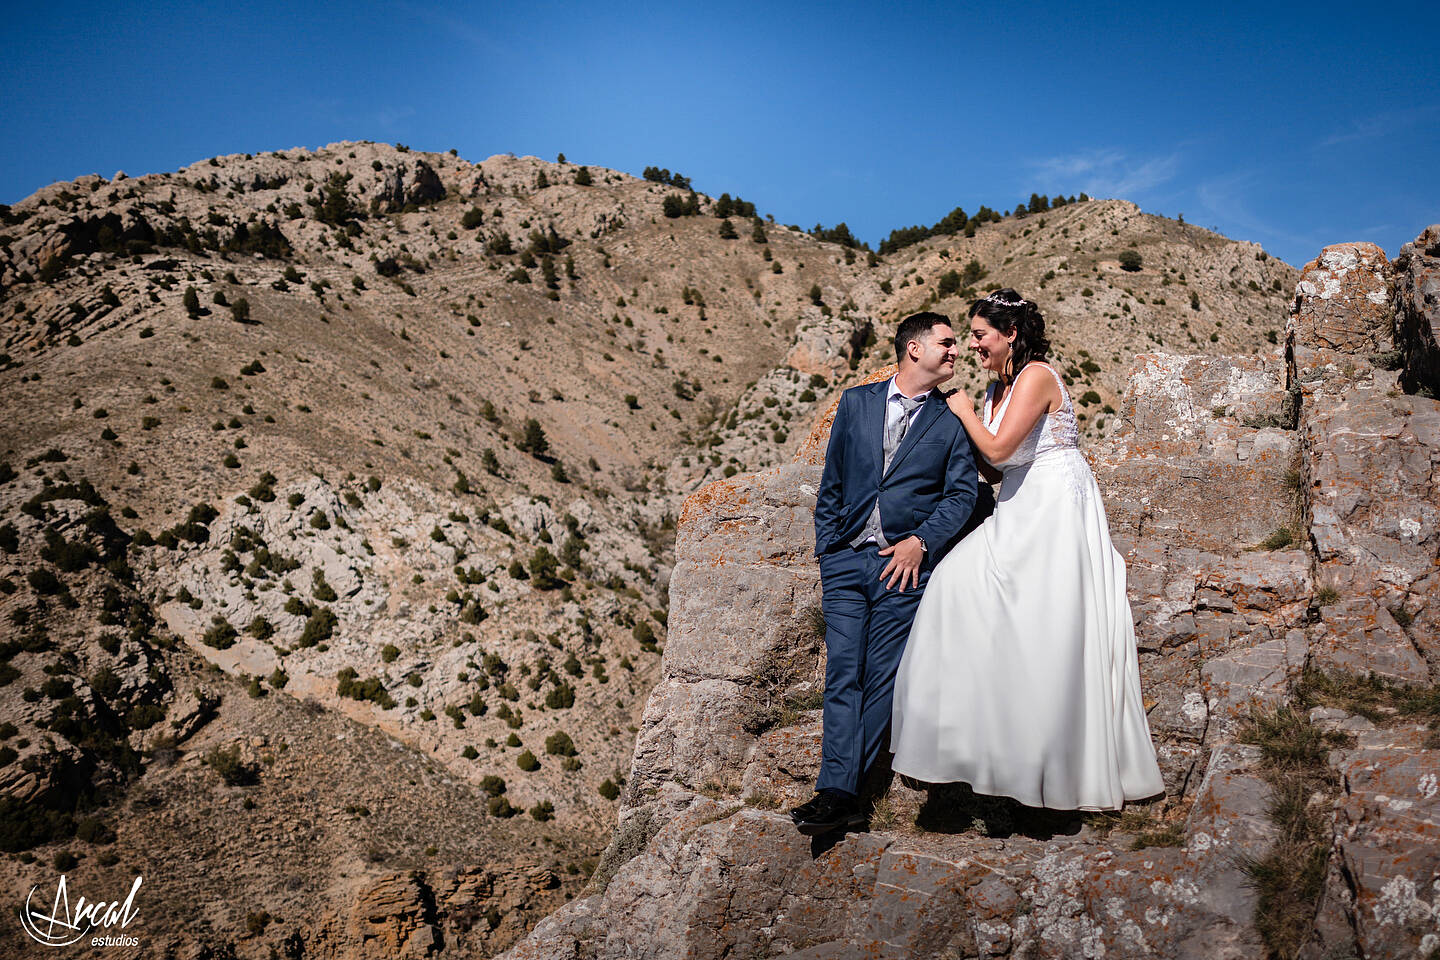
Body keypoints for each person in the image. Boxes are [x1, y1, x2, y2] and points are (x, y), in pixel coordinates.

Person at [889, 289, 1164, 811]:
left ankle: (1048, 763)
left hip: (1054, 503)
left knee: (1042, 622)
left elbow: (997, 447)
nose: (972, 345)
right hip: (1016, 500)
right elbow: (995, 468)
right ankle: (970, 745)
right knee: (952, 584)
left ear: (1010, 334)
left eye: (979, 335)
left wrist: (963, 412)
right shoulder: (996, 389)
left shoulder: (1037, 376)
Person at [791, 312, 988, 836]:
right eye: (946, 342)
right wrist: (829, 550)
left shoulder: (951, 418)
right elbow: (833, 481)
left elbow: (962, 495)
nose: (956, 351)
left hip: (902, 570)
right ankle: (840, 793)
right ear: (914, 348)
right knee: (843, 673)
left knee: (881, 678)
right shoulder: (856, 403)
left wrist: (920, 543)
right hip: (846, 560)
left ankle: (839, 794)